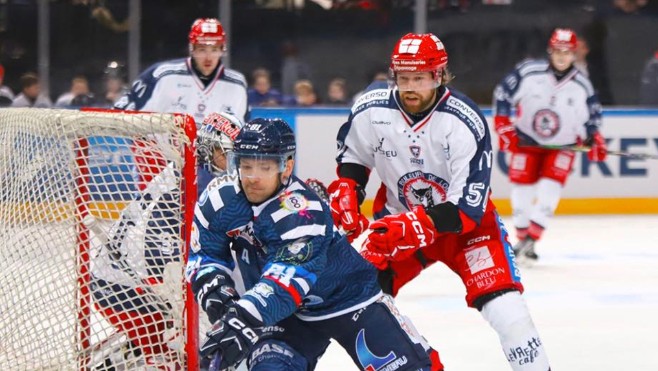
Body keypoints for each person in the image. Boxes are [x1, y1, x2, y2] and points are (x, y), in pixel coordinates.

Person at [329, 32, 551, 371]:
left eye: (419, 78)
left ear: (438, 75)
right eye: (403, 78)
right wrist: (347, 189)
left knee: (511, 314)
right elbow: (355, 159)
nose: (409, 87)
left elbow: (466, 209)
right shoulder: (370, 110)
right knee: (356, 302)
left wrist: (411, 225)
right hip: (395, 226)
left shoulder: (463, 120)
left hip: (465, 232)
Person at [186, 118, 438, 371]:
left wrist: (241, 317)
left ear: (287, 166)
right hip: (286, 317)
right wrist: (216, 292)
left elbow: (285, 283)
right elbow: (205, 254)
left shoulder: (302, 210)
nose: (253, 178)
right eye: (246, 165)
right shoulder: (219, 199)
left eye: (265, 167)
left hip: (347, 298)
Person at [88, 111, 243, 369]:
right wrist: (176, 310)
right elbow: (158, 256)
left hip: (125, 281)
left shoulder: (191, 176)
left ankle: (121, 359)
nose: (233, 163)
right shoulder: (181, 191)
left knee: (179, 344)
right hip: (121, 289)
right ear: (207, 149)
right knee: (178, 359)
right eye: (227, 154)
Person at [492, 27, 606, 264]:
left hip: (562, 145)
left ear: (574, 54)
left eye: (567, 51)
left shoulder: (582, 85)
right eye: (557, 51)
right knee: (522, 191)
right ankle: (522, 236)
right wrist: (503, 126)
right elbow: (502, 94)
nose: (562, 56)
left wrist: (594, 137)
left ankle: (532, 238)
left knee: (549, 190)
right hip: (527, 141)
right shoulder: (529, 72)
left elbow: (593, 116)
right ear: (549, 50)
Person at [114, 18, 249, 124]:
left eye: (214, 50)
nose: (208, 57)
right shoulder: (161, 75)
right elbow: (122, 111)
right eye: (202, 49)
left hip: (212, 159)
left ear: (221, 50)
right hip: (160, 156)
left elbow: (242, 129)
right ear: (193, 49)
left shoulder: (237, 85)